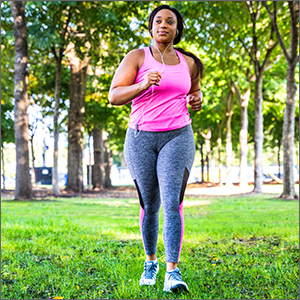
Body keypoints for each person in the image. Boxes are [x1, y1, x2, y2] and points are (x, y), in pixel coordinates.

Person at [109, 4, 203, 294]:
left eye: (170, 21)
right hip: (141, 137)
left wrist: (197, 99)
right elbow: (114, 95)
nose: (164, 25)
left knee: (173, 201)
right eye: (158, 21)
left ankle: (172, 271)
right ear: (151, 27)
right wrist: (141, 86)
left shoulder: (189, 62)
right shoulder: (137, 57)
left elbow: (194, 89)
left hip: (178, 135)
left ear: (177, 29)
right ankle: (151, 262)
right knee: (150, 204)